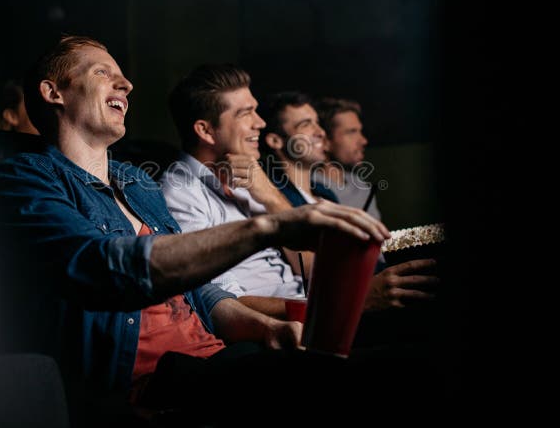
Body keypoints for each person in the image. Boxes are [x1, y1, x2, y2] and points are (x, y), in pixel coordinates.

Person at [0, 37, 391, 426]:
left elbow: (197, 292)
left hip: (212, 358)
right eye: (102, 72)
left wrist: (265, 328)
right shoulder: (24, 178)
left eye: (124, 78)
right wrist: (267, 227)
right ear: (53, 92)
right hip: (150, 383)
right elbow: (98, 268)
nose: (126, 85)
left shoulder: (136, 181)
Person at [161, 66, 437, 320]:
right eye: (245, 113)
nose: (259, 122)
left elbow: (304, 258)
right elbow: (217, 302)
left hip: (312, 307)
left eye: (256, 110)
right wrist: (349, 303)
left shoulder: (245, 178)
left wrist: (266, 193)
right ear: (206, 131)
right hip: (290, 326)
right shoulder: (181, 193)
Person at [312, 97, 381, 219]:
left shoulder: (362, 186)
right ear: (325, 141)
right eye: (351, 132)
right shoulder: (308, 190)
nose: (363, 141)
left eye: (360, 131)